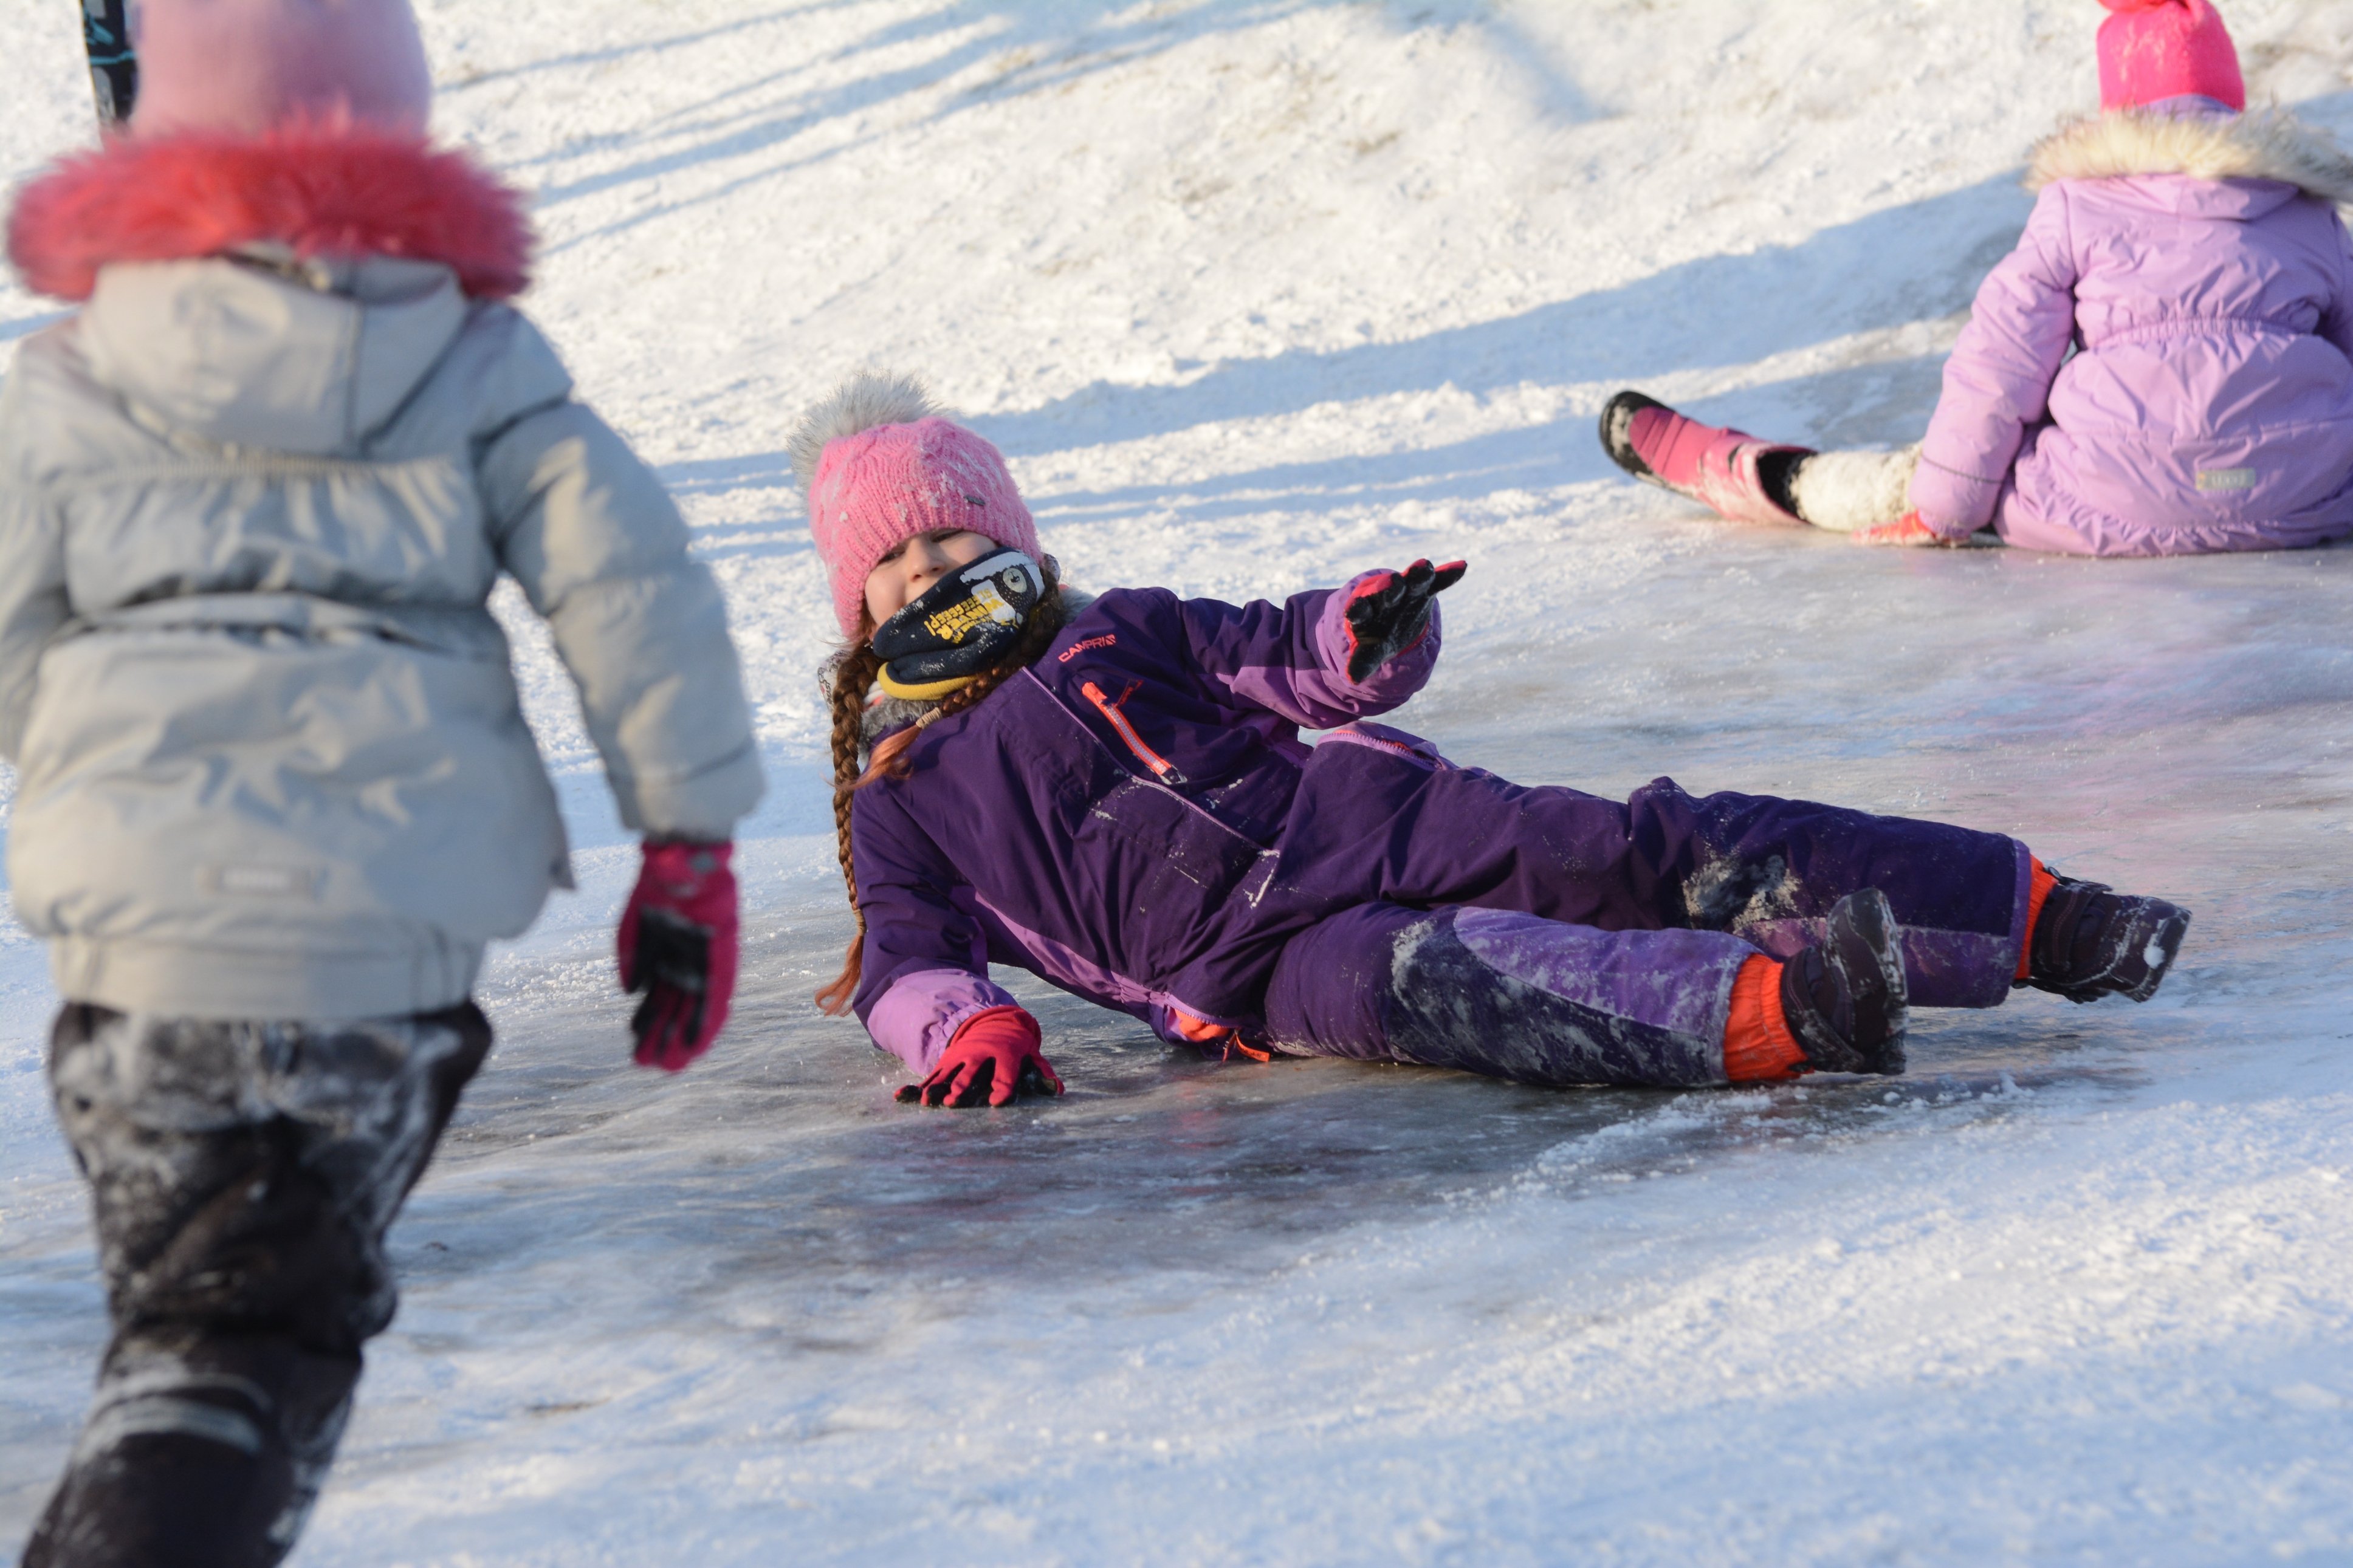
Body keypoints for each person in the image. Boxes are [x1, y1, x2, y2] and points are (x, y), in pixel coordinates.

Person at [0, 1, 763, 1561]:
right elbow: (635, 590)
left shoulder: (64, 380)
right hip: (378, 962)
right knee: (243, 1345)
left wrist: (101, 785)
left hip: (146, 960)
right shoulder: (477, 357)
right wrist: (686, 848)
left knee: (198, 1337)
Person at [798, 372, 2188, 1110]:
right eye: (898, 557)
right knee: (1470, 980)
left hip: (1369, 820)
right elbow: (906, 958)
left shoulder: (1126, 627)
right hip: (1256, 972)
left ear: (1021, 544)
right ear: (856, 608)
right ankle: (1796, 1010)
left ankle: (2034, 916)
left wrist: (1369, 623)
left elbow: (1295, 648)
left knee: (1651, 847)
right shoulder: (903, 794)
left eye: (959, 533)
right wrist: (960, 1025)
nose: (933, 566)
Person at [1598, 0, 2353, 556]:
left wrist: (1943, 508)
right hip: (2302, 498)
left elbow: (2000, 369)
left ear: (2116, 105)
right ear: (2234, 105)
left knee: (1936, 477)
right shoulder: (2308, 213)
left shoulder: (2075, 207)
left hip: (2111, 504)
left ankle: (1774, 479)